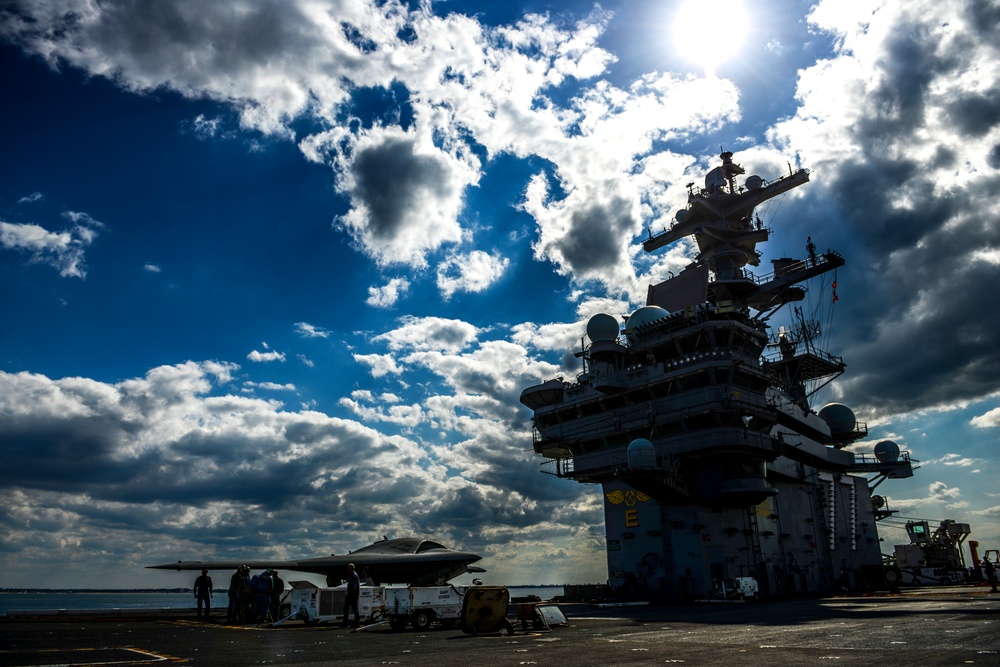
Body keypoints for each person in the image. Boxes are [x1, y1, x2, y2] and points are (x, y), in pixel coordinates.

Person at [343, 562, 360, 627]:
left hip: (352, 596)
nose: (347, 570)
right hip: (352, 595)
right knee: (350, 608)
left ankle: (354, 622)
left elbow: (353, 587)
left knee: (352, 609)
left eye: (348, 568)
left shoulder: (354, 576)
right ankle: (353, 622)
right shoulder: (353, 575)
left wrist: (349, 595)